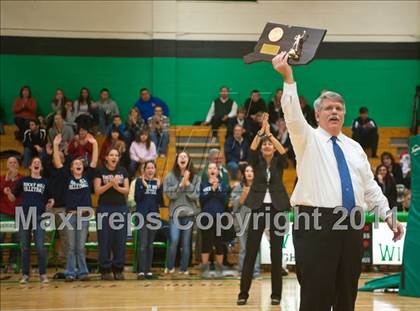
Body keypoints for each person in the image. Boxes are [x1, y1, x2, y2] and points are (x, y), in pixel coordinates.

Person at [271, 51, 404, 311]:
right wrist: (288, 77)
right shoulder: (307, 139)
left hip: (352, 225)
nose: (334, 112)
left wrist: (389, 215)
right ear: (318, 114)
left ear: (344, 115)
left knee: (347, 295)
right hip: (315, 223)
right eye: (328, 108)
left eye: (339, 108)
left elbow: (370, 188)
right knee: (316, 296)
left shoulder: (354, 148)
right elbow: (293, 117)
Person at [237, 112, 289, 306]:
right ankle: (243, 293)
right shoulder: (256, 162)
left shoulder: (279, 162)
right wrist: (262, 131)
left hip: (277, 209)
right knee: (251, 252)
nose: (267, 146)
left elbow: (284, 152)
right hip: (258, 208)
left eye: (269, 145)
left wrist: (271, 136)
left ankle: (276, 294)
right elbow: (251, 149)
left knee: (276, 253)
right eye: (265, 145)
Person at [52, 133, 98, 282]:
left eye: (80, 163)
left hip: (84, 216)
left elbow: (94, 161)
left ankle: (83, 272)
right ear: (71, 168)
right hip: (70, 216)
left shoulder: (87, 177)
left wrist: (95, 144)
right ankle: (70, 272)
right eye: (75, 164)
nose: (78, 164)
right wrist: (55, 145)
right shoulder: (67, 177)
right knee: (72, 247)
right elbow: (58, 164)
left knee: (80, 247)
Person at [5, 157, 54, 284]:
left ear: (41, 167)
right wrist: (8, 193)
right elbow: (12, 198)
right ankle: (25, 275)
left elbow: (51, 199)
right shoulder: (23, 180)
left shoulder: (45, 182)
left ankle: (43, 274)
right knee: (25, 247)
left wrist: (51, 203)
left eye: (39, 163)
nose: (37, 164)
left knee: (40, 247)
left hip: (39, 216)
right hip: (24, 216)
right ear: (30, 167)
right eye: (34, 163)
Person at [94, 148, 130, 281]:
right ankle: (105, 269)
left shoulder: (123, 171)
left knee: (119, 240)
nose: (114, 157)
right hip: (104, 208)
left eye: (116, 155)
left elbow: (126, 190)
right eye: (111, 155)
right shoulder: (100, 171)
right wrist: (110, 183)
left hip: (121, 208)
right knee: (104, 239)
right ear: (107, 157)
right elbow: (97, 191)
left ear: (118, 158)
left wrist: (116, 187)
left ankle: (118, 269)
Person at [163, 152, 201, 275]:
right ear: (177, 160)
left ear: (189, 160)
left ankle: (184, 269)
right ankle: (170, 267)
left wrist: (188, 183)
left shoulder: (196, 177)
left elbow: (196, 195)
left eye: (185, 156)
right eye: (180, 156)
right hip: (174, 215)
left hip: (189, 215)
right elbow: (170, 195)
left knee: (186, 243)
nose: (183, 158)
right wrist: (180, 185)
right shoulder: (169, 176)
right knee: (174, 240)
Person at [128, 161, 163, 280]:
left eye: (152, 168)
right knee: (142, 244)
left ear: (155, 169)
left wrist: (158, 188)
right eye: (148, 168)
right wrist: (144, 186)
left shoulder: (157, 182)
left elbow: (160, 201)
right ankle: (141, 271)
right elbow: (138, 199)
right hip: (142, 215)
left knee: (150, 244)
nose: (150, 170)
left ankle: (148, 270)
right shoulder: (138, 182)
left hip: (153, 216)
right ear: (144, 170)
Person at [230, 165, 260, 278]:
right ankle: (243, 271)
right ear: (244, 174)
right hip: (241, 222)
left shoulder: (259, 188)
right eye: (247, 171)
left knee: (255, 248)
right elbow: (235, 206)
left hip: (255, 221)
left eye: (252, 170)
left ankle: (256, 271)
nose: (249, 173)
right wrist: (244, 194)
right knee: (243, 248)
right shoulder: (238, 188)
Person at [199, 163, 228, 278]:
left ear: (217, 171)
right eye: (210, 168)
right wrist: (211, 189)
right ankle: (205, 268)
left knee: (219, 243)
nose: (212, 170)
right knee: (206, 242)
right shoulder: (203, 184)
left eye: (214, 168)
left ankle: (219, 268)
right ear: (207, 172)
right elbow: (202, 200)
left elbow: (224, 200)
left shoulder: (223, 185)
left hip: (219, 217)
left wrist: (217, 189)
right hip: (206, 216)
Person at [0, 156, 22, 273]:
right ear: (7, 165)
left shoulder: (22, 179)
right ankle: (1, 264)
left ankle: (13, 264)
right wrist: (7, 180)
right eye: (10, 162)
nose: (12, 164)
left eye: (15, 162)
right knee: (0, 238)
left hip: (18, 214)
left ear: (18, 165)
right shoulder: (2, 179)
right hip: (3, 213)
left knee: (17, 239)